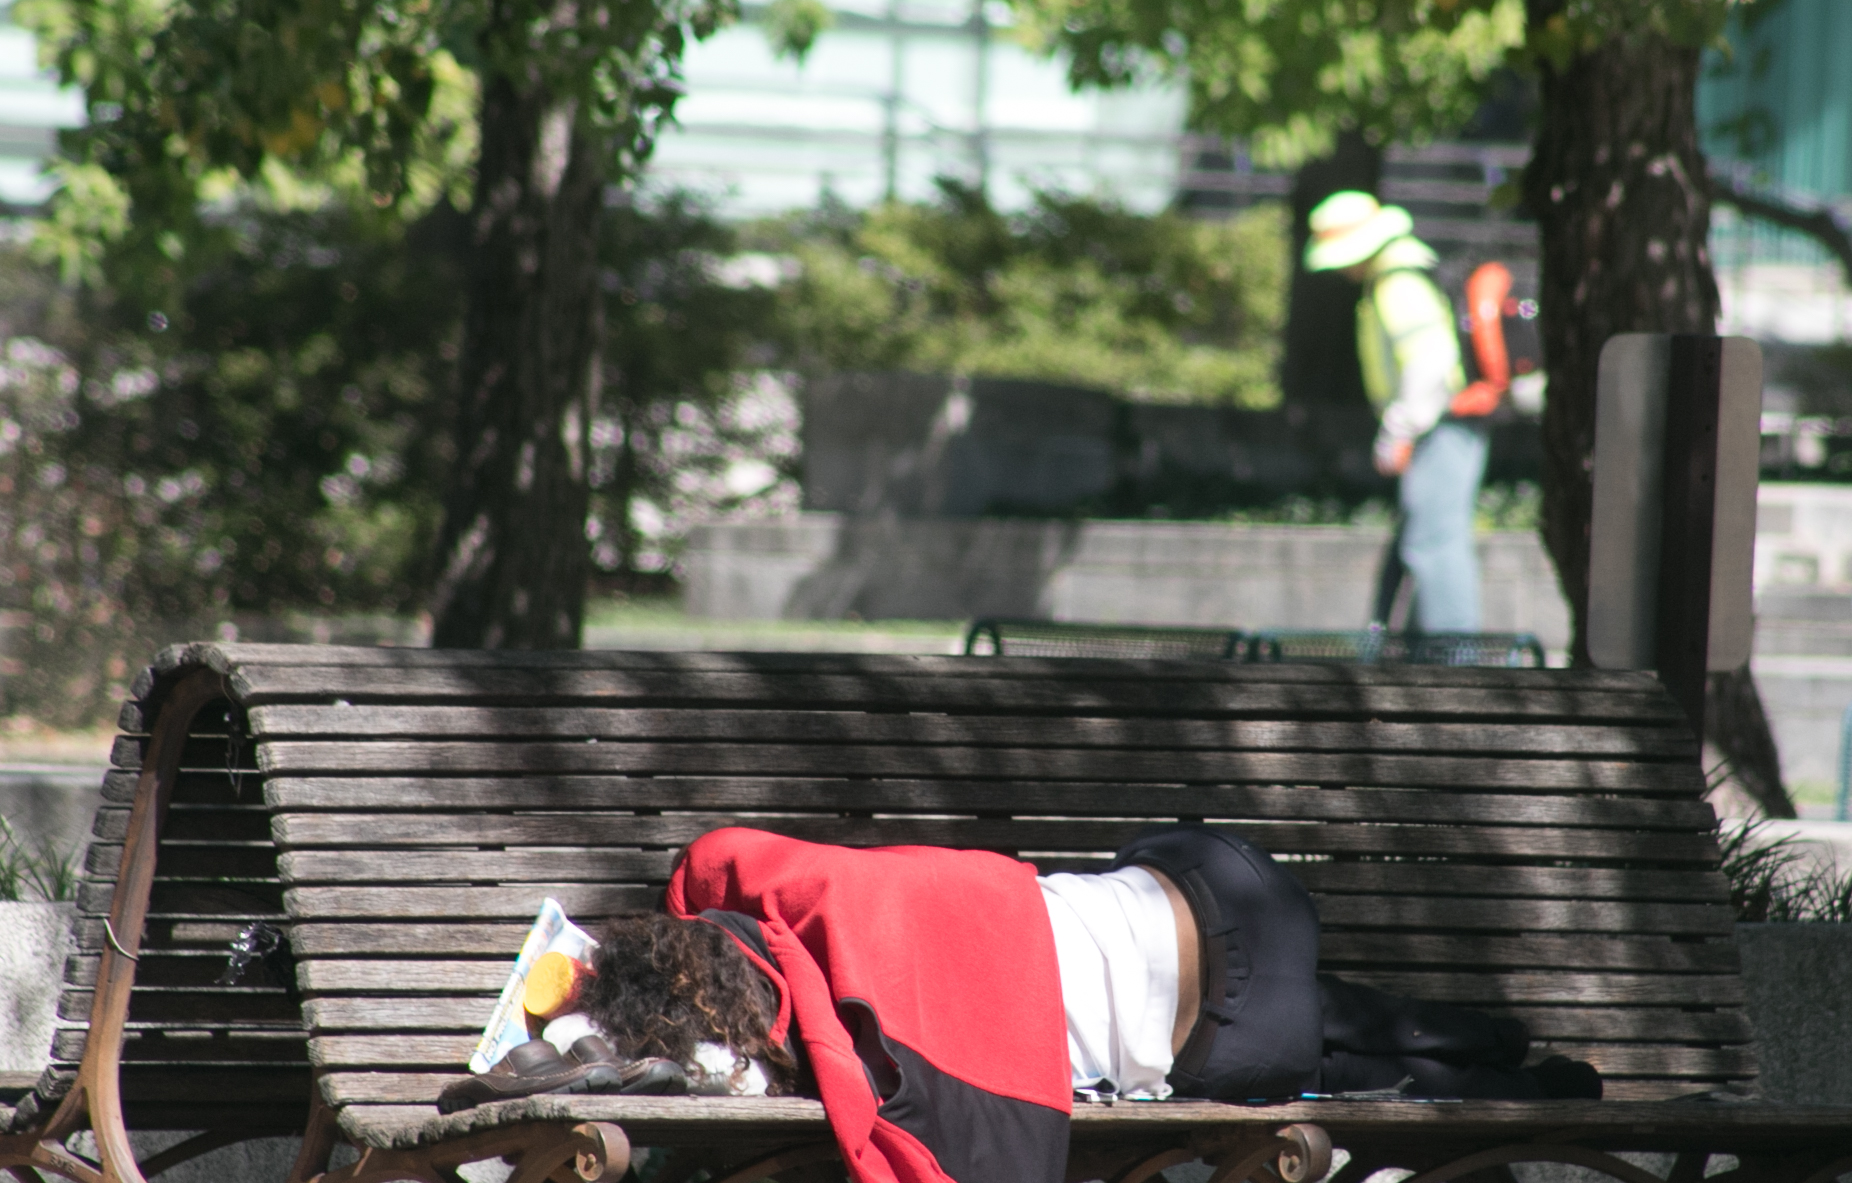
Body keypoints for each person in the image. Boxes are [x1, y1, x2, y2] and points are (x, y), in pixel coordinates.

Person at [490, 825, 1597, 1183]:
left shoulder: (871, 1064)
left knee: (1333, 1071)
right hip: (1214, 879)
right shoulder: (799, 897)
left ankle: (1531, 1089)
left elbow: (915, 1158)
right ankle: (1508, 1049)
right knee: (1341, 1017)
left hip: (1226, 1035)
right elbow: (711, 862)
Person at [1304, 190, 1499, 633]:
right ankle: (1432, 655)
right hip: (1444, 426)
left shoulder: (1397, 282)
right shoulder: (1406, 271)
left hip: (1441, 427)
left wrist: (1398, 433)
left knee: (1433, 543)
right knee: (1426, 539)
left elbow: (1428, 362)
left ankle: (1455, 664)